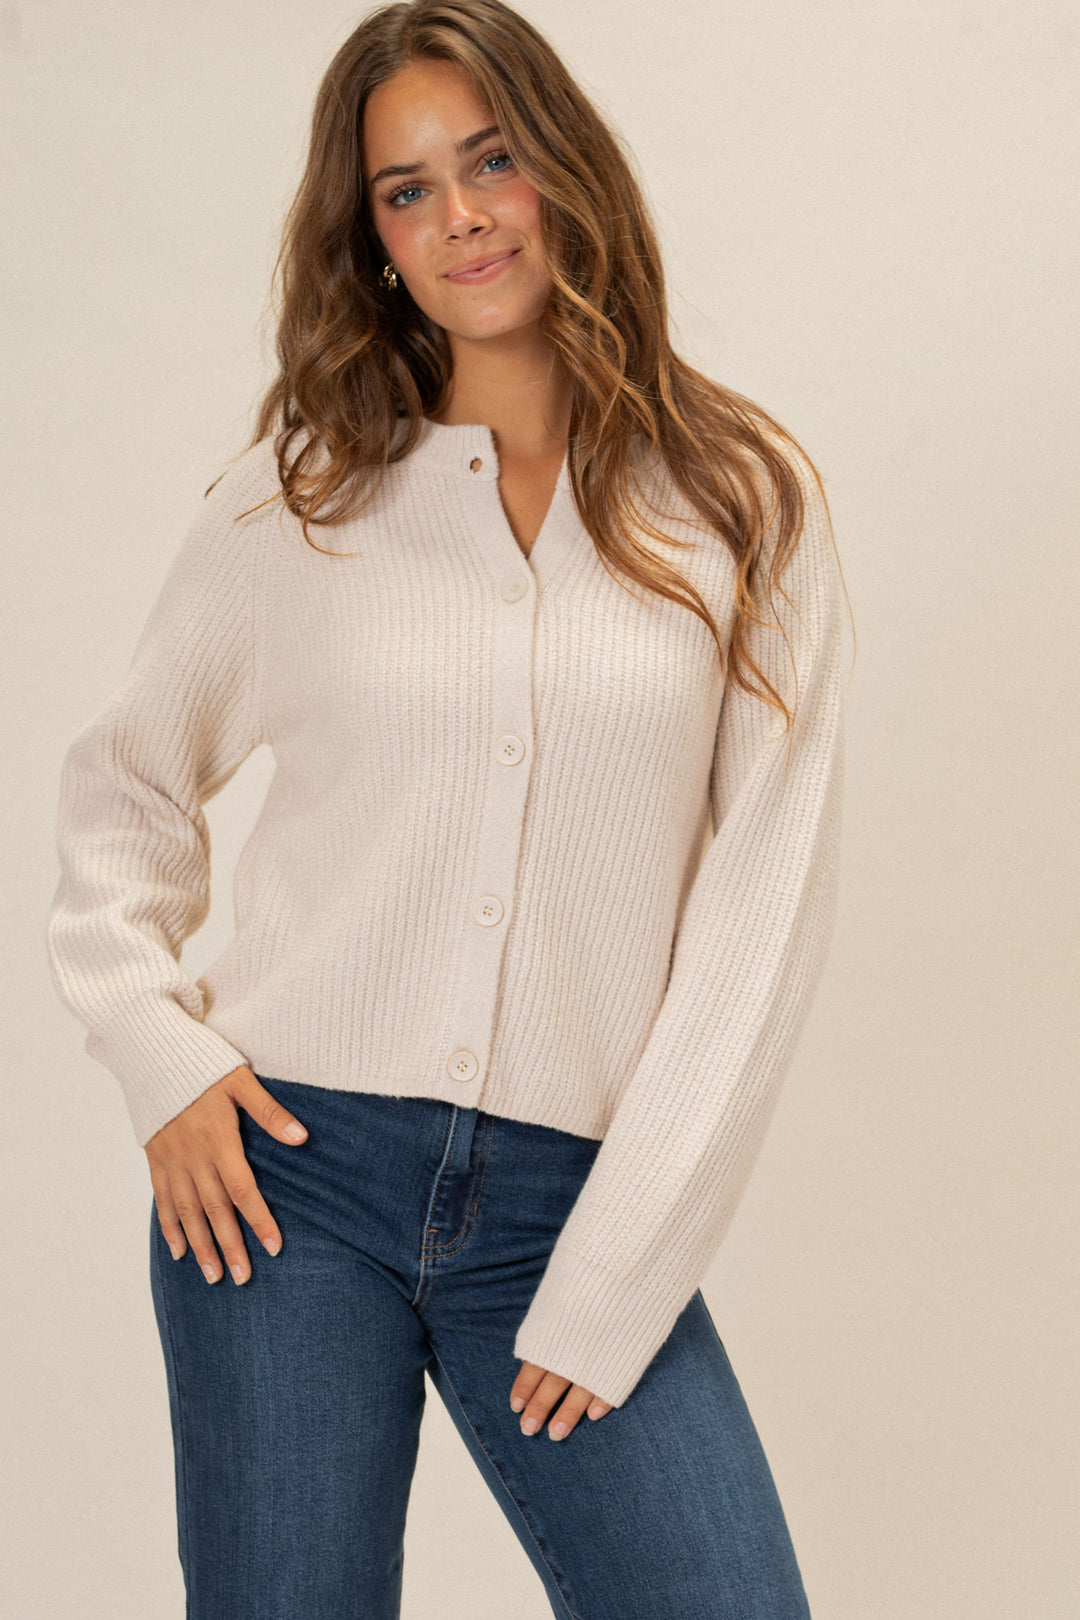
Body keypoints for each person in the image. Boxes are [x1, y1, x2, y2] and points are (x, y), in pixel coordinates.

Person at [45, 2, 849, 1614]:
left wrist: (621, 1269)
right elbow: (122, 790)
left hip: (578, 1200)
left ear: (566, 166)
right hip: (288, 1185)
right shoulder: (307, 488)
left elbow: (761, 919)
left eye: (490, 160)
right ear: (375, 242)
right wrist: (161, 1053)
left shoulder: (740, 499)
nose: (461, 215)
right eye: (406, 190)